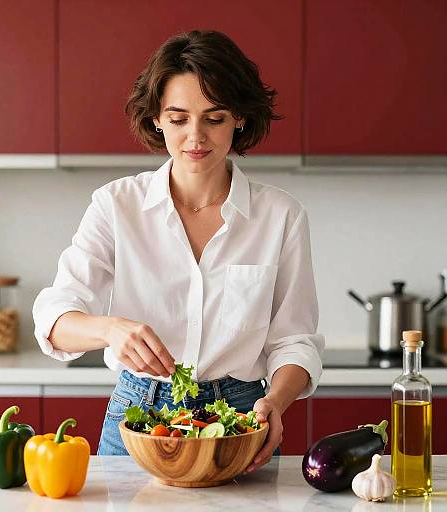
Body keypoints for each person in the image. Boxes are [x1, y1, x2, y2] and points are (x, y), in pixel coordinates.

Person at [33, 30, 324, 473]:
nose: (195, 136)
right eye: (178, 117)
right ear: (156, 119)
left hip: (242, 418)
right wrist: (110, 329)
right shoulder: (116, 205)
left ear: (240, 118)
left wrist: (276, 403)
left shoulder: (281, 215)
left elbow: (294, 341)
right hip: (139, 415)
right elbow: (54, 317)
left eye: (215, 117)